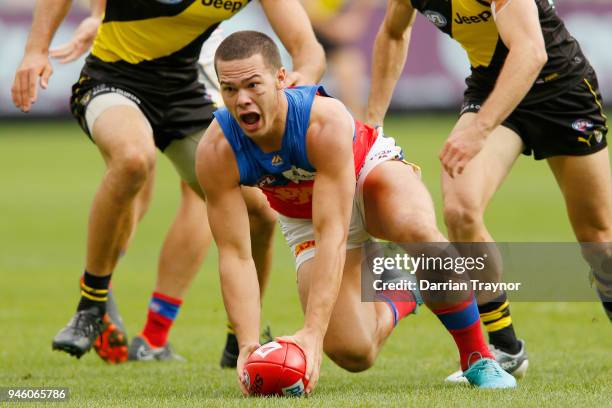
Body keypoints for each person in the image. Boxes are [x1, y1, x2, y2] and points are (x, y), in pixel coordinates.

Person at [196, 30, 517, 394]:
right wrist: (247, 344)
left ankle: (477, 357)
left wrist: (312, 334)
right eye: (230, 90)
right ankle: (402, 289)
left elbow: (333, 229)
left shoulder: (322, 121)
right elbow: (236, 255)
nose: (243, 100)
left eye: (254, 85)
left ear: (281, 79)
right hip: (303, 217)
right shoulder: (215, 150)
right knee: (355, 353)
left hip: (366, 173)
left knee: (417, 230)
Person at [11, 0, 325, 365]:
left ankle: (240, 337)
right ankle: (91, 305)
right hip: (113, 79)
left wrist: (303, 78)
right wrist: (36, 50)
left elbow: (308, 48)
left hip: (183, 93)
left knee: (259, 212)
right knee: (133, 159)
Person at [366, 0, 611, 382]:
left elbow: (531, 51)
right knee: (461, 210)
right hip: (493, 87)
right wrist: (373, 123)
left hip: (559, 87)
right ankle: (505, 347)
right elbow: (394, 33)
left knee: (598, 237)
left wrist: (478, 129)